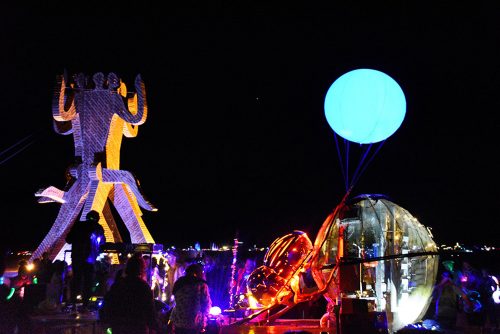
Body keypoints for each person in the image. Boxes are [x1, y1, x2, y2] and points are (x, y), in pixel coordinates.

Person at [101, 254, 157, 334]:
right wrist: (153, 326)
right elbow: (150, 310)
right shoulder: (144, 287)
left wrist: (109, 322)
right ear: (141, 269)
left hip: (119, 326)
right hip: (138, 327)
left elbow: (108, 304)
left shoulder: (117, 285)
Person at [65, 210, 105, 311]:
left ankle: (73, 304)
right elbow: (102, 242)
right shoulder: (98, 227)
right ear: (97, 218)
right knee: (88, 281)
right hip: (90, 259)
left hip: (77, 257)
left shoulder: (78, 225)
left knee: (76, 280)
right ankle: (85, 305)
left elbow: (68, 239)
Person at [169, 263, 212, 334]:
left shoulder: (179, 283)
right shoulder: (201, 285)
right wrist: (205, 319)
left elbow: (176, 302)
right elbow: (206, 304)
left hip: (179, 321)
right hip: (194, 322)